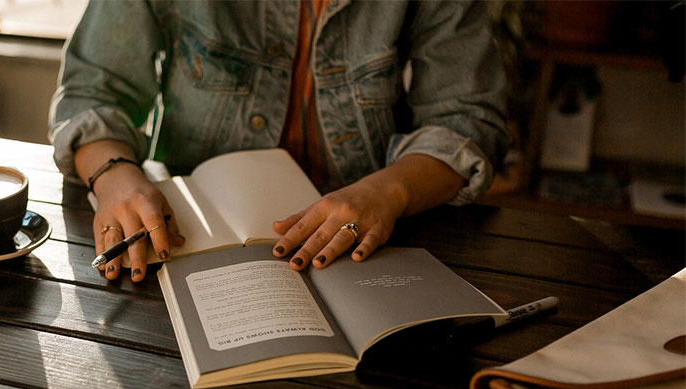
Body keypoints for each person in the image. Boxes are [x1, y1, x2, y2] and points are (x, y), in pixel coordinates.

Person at [50, 0, 509, 282]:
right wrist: (116, 179)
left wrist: (386, 192)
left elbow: (467, 119)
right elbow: (95, 88)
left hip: (368, 247)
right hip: (188, 241)